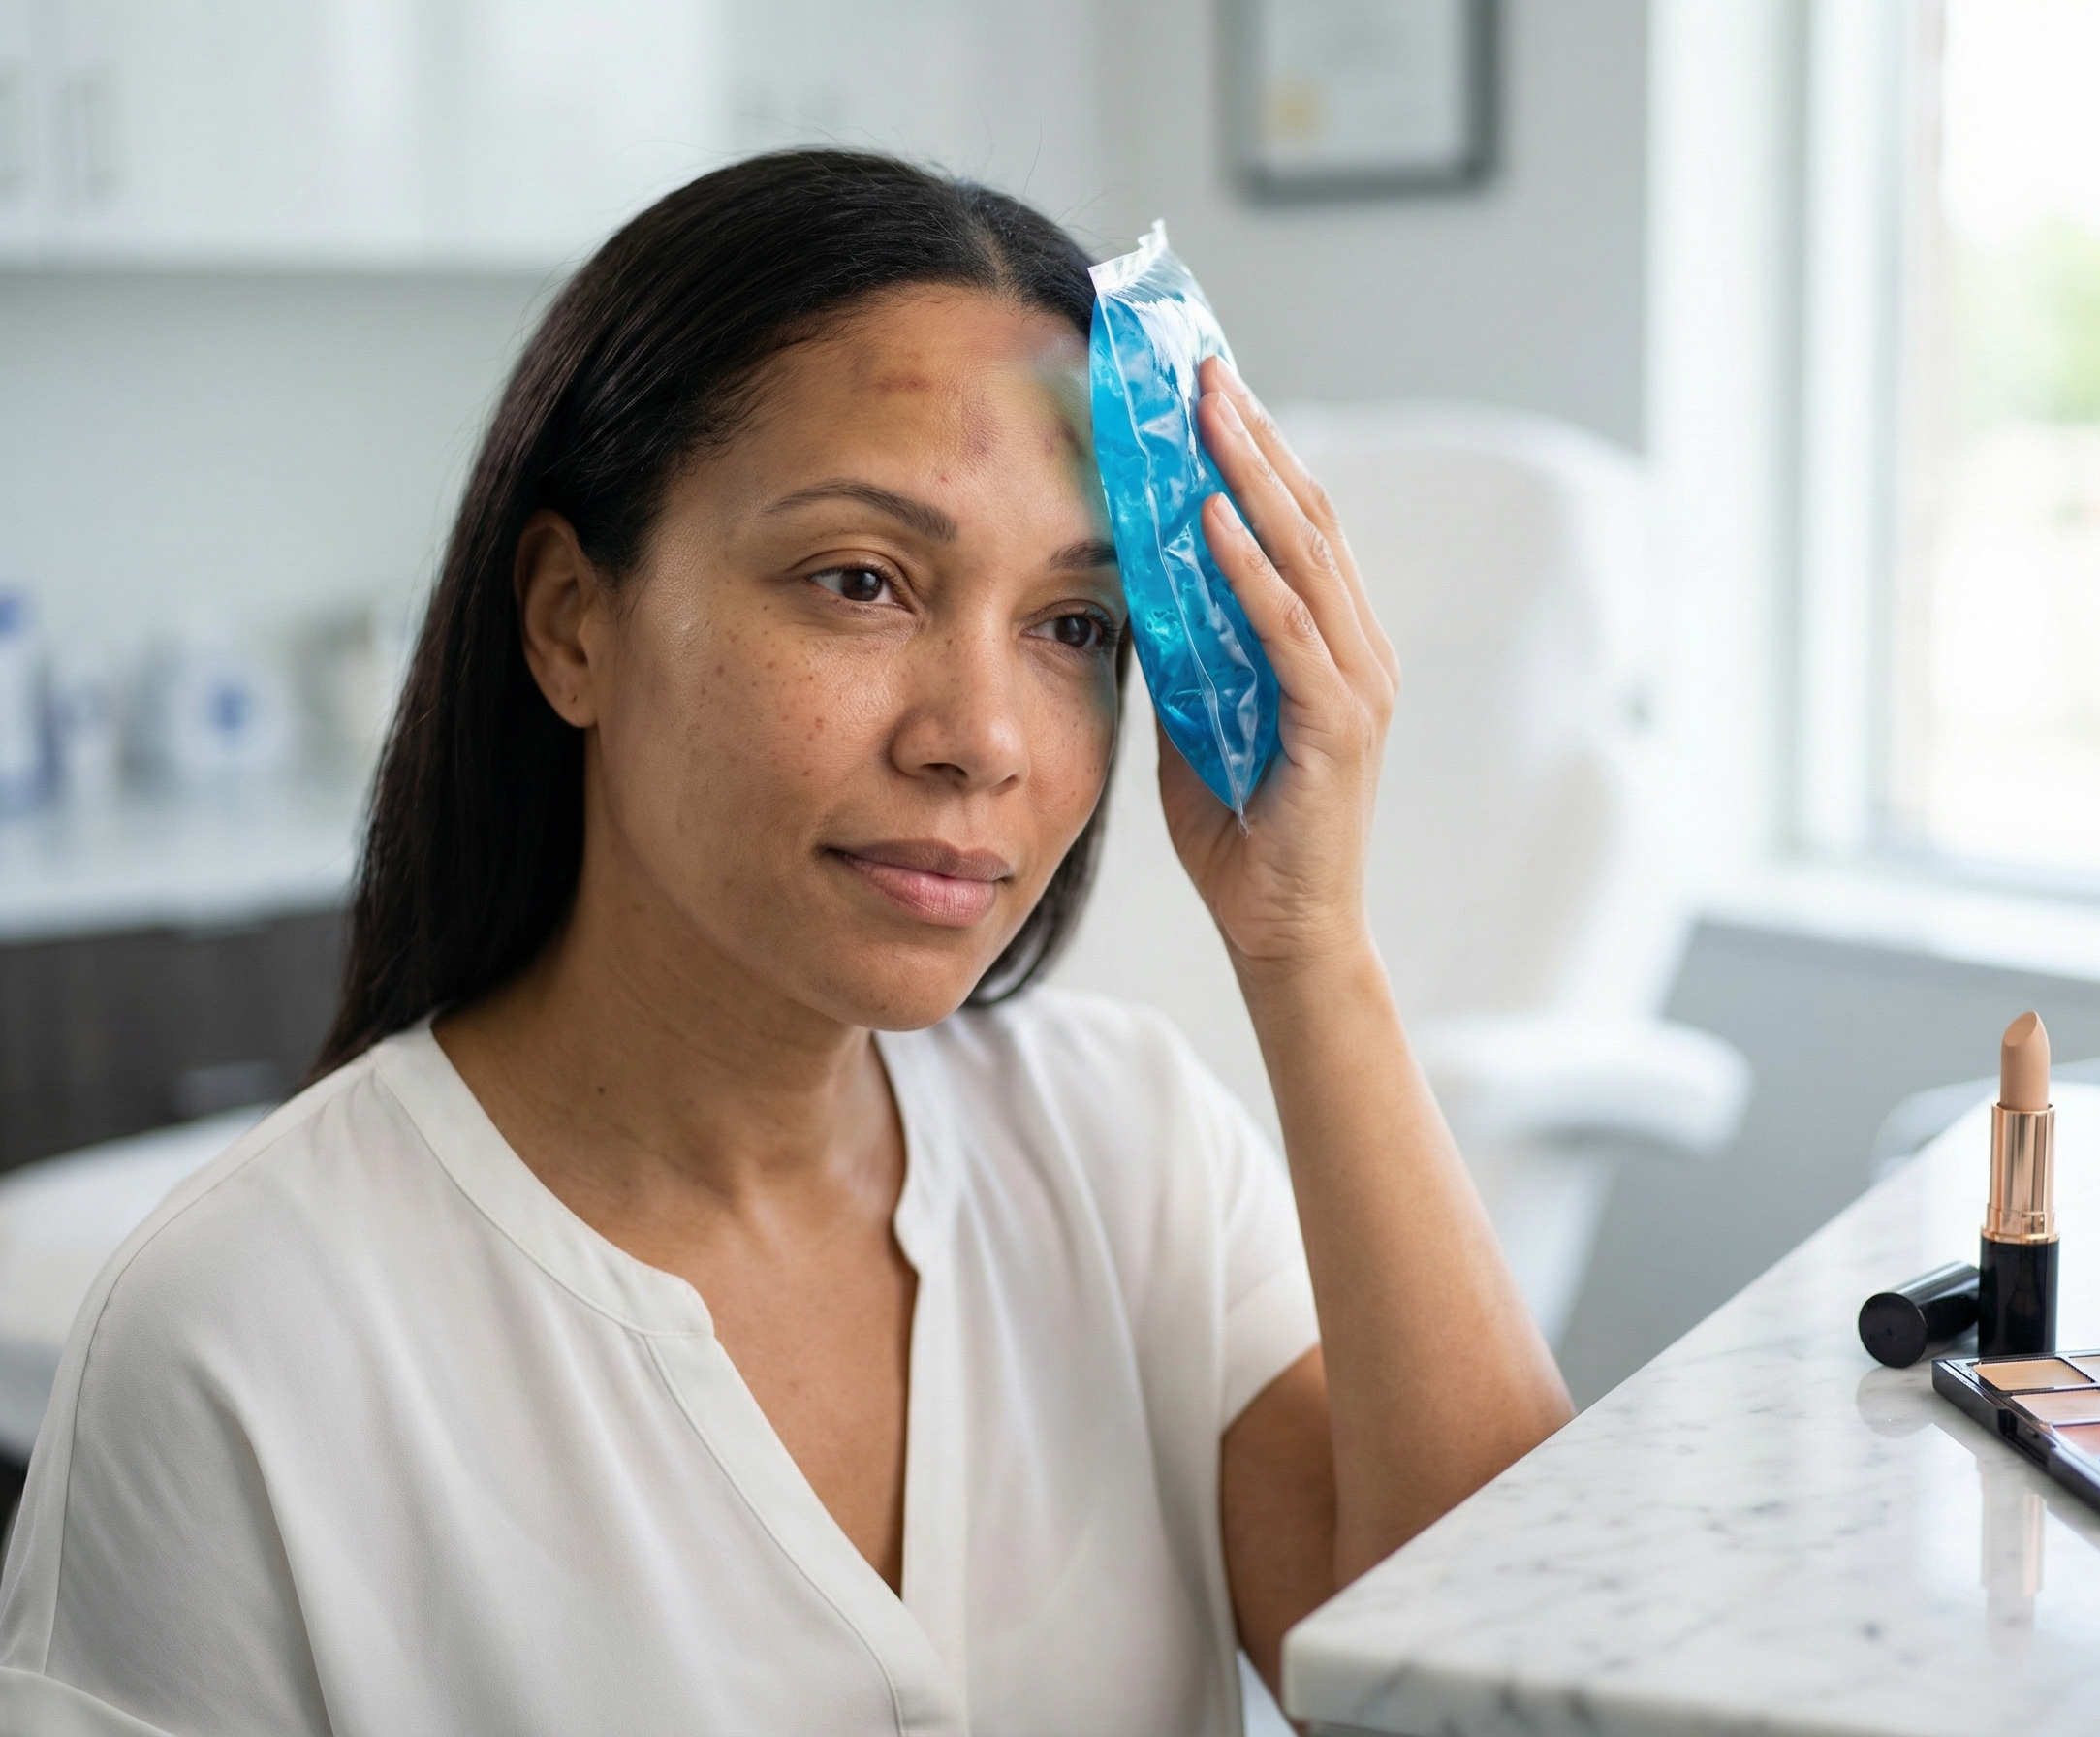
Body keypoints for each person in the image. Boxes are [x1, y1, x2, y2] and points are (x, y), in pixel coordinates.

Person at [0, 151, 1568, 1735]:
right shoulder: (238, 1345)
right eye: (863, 581)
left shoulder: (1129, 1152)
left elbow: (1512, 1704)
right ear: (569, 620)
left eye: (1074, 626)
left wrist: (1310, 948)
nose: (982, 739)